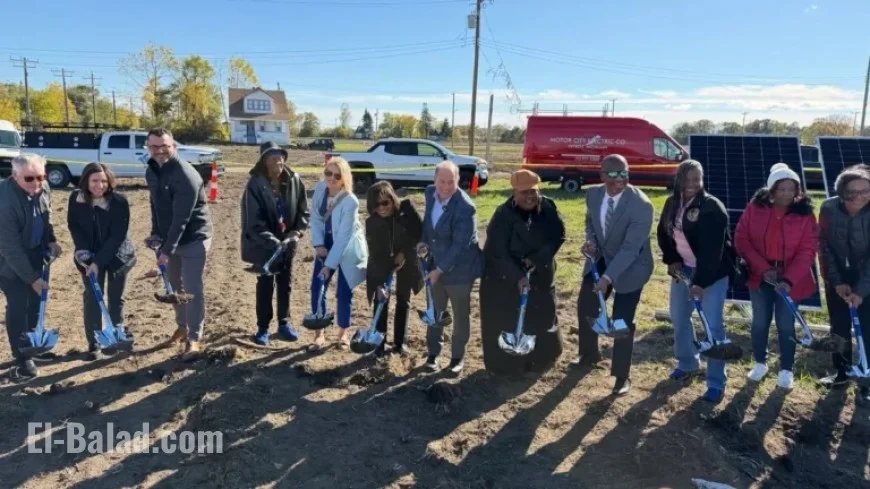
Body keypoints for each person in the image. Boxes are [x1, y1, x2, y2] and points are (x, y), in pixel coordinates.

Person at [735, 163, 818, 391]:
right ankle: (760, 362)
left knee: (785, 323)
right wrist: (763, 268)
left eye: (792, 189)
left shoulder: (805, 214)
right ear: (771, 190)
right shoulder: (755, 208)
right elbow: (742, 239)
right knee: (760, 322)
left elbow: (808, 249)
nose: (787, 194)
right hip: (760, 275)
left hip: (792, 279)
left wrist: (789, 279)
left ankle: (786, 369)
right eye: (782, 189)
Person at [657, 160, 735, 403]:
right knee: (679, 317)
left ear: (702, 180)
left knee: (713, 325)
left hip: (712, 273)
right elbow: (663, 233)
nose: (691, 184)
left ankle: (716, 382)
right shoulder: (672, 203)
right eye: (686, 179)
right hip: (684, 270)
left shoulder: (712, 207)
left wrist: (700, 283)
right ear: (678, 180)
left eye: (696, 179)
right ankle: (688, 363)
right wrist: (672, 259)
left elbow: (713, 252)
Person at [577, 154, 654, 396]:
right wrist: (591, 240)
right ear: (602, 175)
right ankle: (589, 354)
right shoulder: (593, 194)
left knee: (622, 319)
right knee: (586, 302)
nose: (619, 179)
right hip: (602, 257)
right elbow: (591, 222)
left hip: (632, 265)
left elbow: (630, 249)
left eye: (624, 173)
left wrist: (607, 278)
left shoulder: (642, 205)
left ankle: (622, 376)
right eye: (612, 174)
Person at [480, 169, 566, 375]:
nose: (529, 197)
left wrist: (536, 259)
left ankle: (543, 357)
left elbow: (557, 236)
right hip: (507, 272)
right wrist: (517, 276)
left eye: (533, 192)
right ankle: (509, 364)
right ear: (514, 193)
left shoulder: (548, 208)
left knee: (543, 313)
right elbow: (496, 251)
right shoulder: (503, 215)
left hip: (540, 268)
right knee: (509, 314)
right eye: (524, 193)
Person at [145, 128, 213, 361]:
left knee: (192, 289)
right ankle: (182, 327)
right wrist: (156, 233)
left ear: (174, 146)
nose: (160, 151)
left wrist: (166, 250)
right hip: (170, 237)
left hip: (194, 237)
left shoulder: (185, 175)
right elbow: (155, 204)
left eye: (164, 146)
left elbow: (181, 218)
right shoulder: (152, 170)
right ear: (148, 148)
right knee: (174, 287)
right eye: (154, 146)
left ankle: (194, 338)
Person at [0, 153, 63, 379]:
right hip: (7, 261)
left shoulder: (42, 187)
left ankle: (34, 344)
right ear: (14, 175)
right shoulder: (4, 201)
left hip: (35, 253)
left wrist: (51, 239)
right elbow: (9, 247)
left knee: (36, 301)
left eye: (40, 177)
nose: (36, 183)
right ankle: (21, 356)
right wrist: (32, 279)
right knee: (19, 305)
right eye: (29, 178)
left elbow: (47, 214)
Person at [241, 142, 309, 346]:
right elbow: (253, 220)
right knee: (265, 285)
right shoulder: (255, 184)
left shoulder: (295, 179)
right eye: (273, 158)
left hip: (288, 242)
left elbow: (303, 210)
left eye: (281, 157)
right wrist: (273, 241)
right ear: (264, 161)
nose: (278, 161)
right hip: (264, 244)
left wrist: (297, 231)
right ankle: (262, 327)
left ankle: (284, 323)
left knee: (285, 283)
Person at [67, 163, 137, 361]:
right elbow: (74, 226)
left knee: (116, 298)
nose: (99, 185)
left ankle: (115, 337)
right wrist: (83, 252)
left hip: (117, 256)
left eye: (104, 181)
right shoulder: (77, 198)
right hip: (88, 256)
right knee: (92, 298)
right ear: (86, 181)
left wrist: (98, 262)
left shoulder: (119, 201)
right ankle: (94, 342)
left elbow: (117, 236)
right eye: (95, 181)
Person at [418, 161, 483, 374]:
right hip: (435, 264)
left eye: (451, 182)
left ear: (458, 181)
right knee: (435, 310)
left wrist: (439, 270)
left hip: (461, 270)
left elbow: (459, 246)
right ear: (434, 179)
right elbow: (428, 224)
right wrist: (423, 243)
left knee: (460, 314)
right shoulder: (430, 193)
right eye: (442, 181)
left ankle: (457, 358)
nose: (446, 187)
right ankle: (433, 355)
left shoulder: (466, 207)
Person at [818, 164, 870, 394]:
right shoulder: (828, 208)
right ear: (841, 192)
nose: (859, 196)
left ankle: (867, 381)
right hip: (838, 276)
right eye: (852, 192)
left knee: (867, 328)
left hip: (867, 278)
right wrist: (837, 281)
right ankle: (842, 373)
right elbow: (824, 246)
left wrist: (861, 291)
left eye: (865, 191)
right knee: (839, 327)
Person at [309, 156, 367, 351]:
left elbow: (343, 238)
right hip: (325, 243)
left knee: (344, 291)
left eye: (337, 175)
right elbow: (316, 217)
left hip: (347, 247)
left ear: (344, 178)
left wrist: (328, 265)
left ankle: (343, 333)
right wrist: (318, 244)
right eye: (328, 173)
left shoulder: (350, 201)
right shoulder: (320, 189)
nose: (332, 178)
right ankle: (319, 332)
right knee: (317, 286)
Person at [364, 181, 423, 356]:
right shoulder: (372, 223)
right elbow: (375, 254)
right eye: (376, 205)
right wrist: (379, 283)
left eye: (385, 203)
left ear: (392, 199)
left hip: (407, 260)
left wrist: (404, 253)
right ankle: (378, 344)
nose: (381, 208)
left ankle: (400, 343)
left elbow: (419, 233)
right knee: (381, 299)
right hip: (383, 263)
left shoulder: (407, 210)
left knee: (403, 300)